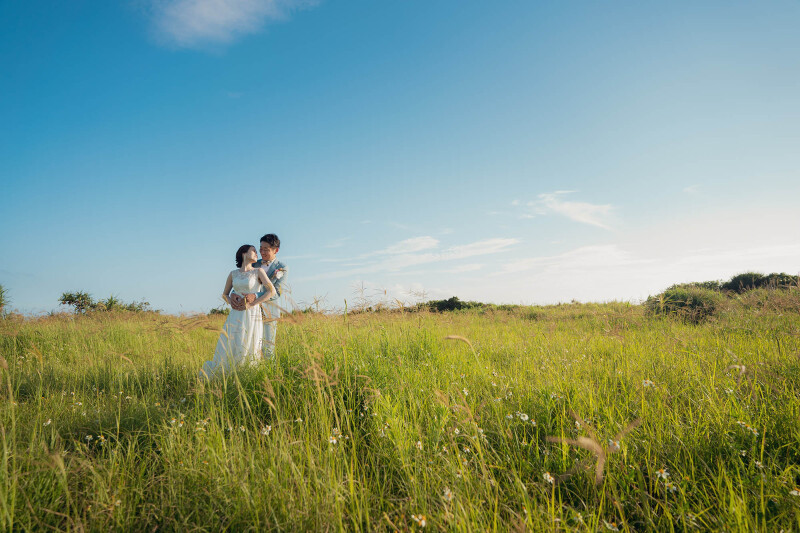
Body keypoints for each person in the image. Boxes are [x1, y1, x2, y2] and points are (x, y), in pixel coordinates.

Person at [199, 245, 276, 379]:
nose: (257, 253)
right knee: (233, 342)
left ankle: (245, 376)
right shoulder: (233, 273)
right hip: (235, 314)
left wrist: (253, 303)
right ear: (244, 253)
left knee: (249, 343)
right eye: (254, 250)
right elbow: (224, 294)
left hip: (252, 313)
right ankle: (228, 376)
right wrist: (231, 300)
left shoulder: (258, 272)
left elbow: (271, 291)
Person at [230, 234, 288, 359]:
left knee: (268, 349)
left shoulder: (282, 268)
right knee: (247, 346)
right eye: (260, 248)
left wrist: (255, 295)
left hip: (269, 313)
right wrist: (233, 294)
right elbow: (240, 282)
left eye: (266, 249)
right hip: (248, 312)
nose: (262, 252)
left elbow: (276, 292)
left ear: (275, 250)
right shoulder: (254, 263)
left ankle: (269, 376)